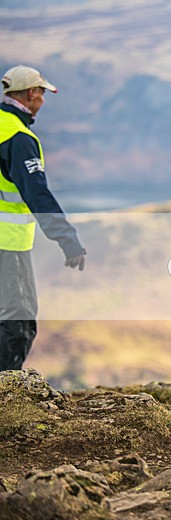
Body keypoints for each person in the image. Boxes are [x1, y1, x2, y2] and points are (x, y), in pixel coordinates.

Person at [0, 65, 86, 371]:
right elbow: (37, 195)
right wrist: (68, 239)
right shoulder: (18, 138)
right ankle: (8, 397)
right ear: (31, 94)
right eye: (43, 93)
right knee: (18, 320)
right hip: (6, 246)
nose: (44, 101)